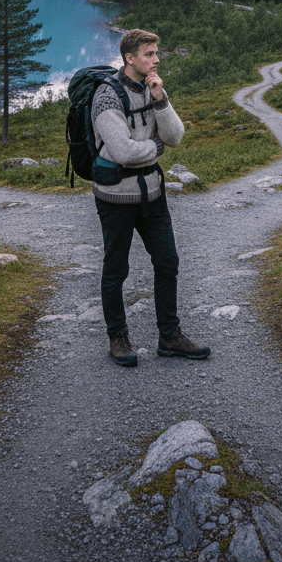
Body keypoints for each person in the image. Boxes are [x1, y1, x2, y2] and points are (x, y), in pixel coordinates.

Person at [91, 28, 210, 367]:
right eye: (149, 54)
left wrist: (160, 100)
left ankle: (169, 336)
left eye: (157, 53)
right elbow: (123, 151)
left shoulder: (154, 87)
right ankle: (118, 336)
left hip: (153, 194)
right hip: (116, 196)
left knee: (168, 262)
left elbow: (175, 137)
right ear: (130, 58)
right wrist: (153, 148)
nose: (156, 59)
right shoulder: (107, 96)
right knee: (116, 269)